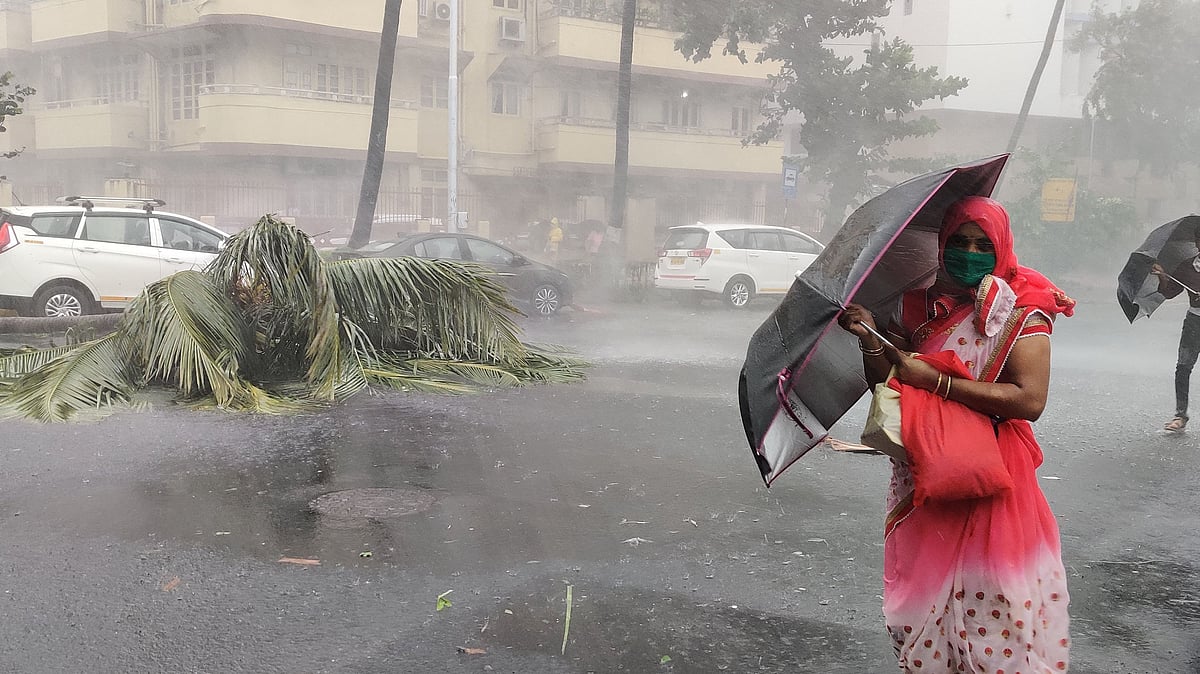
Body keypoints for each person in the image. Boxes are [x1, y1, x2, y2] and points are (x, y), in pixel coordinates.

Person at [837, 196, 1076, 673]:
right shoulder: (923, 305)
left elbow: (1030, 399)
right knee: (922, 609)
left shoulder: (1023, 307)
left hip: (992, 476)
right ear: (944, 245)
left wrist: (940, 382)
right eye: (960, 242)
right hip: (926, 474)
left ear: (1002, 247)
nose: (969, 253)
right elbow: (889, 382)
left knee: (995, 607)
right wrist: (870, 338)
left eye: (983, 244)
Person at [1149, 238, 1200, 432]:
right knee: (1183, 367)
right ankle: (1181, 415)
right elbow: (1169, 292)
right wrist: (1162, 276)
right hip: (1194, 322)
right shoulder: (1188, 267)